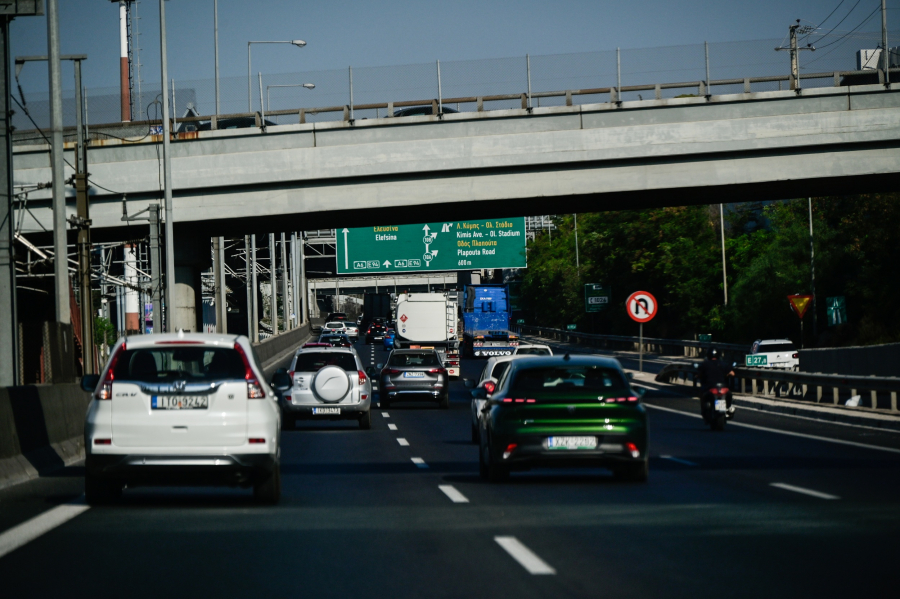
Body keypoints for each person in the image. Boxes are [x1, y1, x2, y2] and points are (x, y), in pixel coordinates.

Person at [696, 347, 735, 414]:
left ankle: (705, 410)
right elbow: (732, 373)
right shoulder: (723, 364)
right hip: (723, 386)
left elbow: (700, 374)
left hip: (710, 386)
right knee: (729, 394)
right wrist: (727, 375)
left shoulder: (705, 364)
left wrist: (697, 376)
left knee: (701, 393)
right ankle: (729, 407)